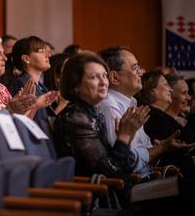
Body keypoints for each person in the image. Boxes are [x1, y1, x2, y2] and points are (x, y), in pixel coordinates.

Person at [53, 52, 147, 199]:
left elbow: (124, 166)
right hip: (91, 200)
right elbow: (109, 173)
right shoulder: (76, 119)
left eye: (104, 75)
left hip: (114, 194)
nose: (103, 82)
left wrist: (126, 137)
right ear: (75, 86)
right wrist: (124, 136)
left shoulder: (92, 113)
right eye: (94, 77)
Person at [99, 46, 195, 180]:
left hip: (148, 177)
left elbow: (145, 147)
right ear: (115, 77)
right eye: (134, 68)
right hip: (133, 187)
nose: (140, 73)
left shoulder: (131, 103)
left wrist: (160, 148)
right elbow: (126, 162)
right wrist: (160, 149)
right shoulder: (110, 107)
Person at [136, 71, 195, 178]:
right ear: (152, 90)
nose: (170, 90)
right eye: (166, 85)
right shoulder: (152, 117)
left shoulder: (159, 115)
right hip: (169, 180)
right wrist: (193, 116)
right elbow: (187, 143)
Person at [9, 36, 58, 124]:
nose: (48, 55)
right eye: (41, 51)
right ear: (26, 59)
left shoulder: (40, 85)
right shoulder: (21, 83)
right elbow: (20, 121)